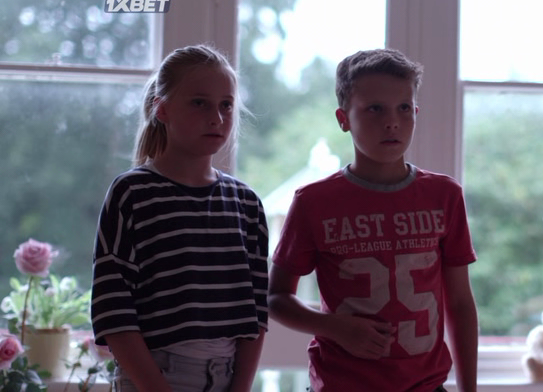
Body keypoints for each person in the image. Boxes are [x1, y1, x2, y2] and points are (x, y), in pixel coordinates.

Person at [268, 48, 479, 392]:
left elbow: (460, 303)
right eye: (375, 109)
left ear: (416, 113)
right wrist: (335, 327)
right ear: (343, 119)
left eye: (404, 108)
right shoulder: (313, 202)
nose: (392, 121)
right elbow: (276, 297)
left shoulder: (445, 195)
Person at [91, 44, 268, 392]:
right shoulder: (132, 193)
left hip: (227, 377)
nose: (216, 118)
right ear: (162, 109)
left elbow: (256, 314)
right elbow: (113, 309)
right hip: (154, 377)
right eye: (199, 103)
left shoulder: (246, 204)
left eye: (226, 105)